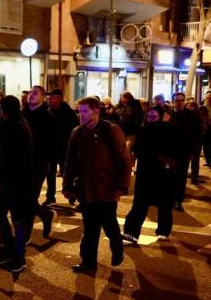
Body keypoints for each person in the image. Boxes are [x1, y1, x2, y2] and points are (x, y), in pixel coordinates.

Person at [63, 97, 131, 273]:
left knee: (109, 224)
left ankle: (117, 246)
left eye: (85, 111)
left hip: (106, 187)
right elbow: (70, 162)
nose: (81, 115)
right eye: (79, 111)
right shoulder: (78, 133)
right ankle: (88, 261)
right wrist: (67, 185)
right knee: (90, 227)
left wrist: (122, 186)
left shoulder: (111, 130)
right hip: (86, 189)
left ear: (96, 111)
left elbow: (124, 160)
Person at [0, 95, 33, 273]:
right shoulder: (20, 123)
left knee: (15, 218)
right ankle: (11, 250)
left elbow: (11, 156)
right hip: (18, 179)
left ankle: (18, 257)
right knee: (3, 214)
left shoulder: (12, 127)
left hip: (14, 180)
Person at [123, 106, 179, 242]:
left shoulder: (167, 130)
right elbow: (138, 149)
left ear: (160, 117)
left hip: (161, 171)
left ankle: (163, 230)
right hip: (144, 171)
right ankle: (131, 232)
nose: (151, 119)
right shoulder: (143, 130)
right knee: (139, 202)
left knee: (164, 202)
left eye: (154, 117)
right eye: (149, 117)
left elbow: (173, 150)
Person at [20, 86, 57, 240]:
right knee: (23, 198)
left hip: (38, 163)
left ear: (43, 98)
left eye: (35, 93)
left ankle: (24, 236)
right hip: (21, 162)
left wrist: (47, 159)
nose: (31, 95)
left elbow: (52, 141)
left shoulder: (48, 117)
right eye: (30, 92)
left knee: (29, 198)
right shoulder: (22, 115)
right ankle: (46, 214)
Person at [46, 89, 79, 205]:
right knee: (50, 173)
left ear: (59, 98)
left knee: (68, 172)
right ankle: (50, 196)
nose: (50, 99)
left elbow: (75, 129)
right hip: (52, 146)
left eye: (52, 97)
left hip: (65, 146)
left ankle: (72, 193)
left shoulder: (69, 112)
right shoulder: (49, 111)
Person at [170, 92, 201, 210]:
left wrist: (193, 152)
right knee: (169, 175)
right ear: (173, 101)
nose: (179, 103)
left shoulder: (192, 115)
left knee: (181, 176)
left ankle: (178, 200)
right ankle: (170, 198)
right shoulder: (168, 114)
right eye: (177, 100)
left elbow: (197, 134)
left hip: (184, 151)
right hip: (169, 152)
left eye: (181, 100)